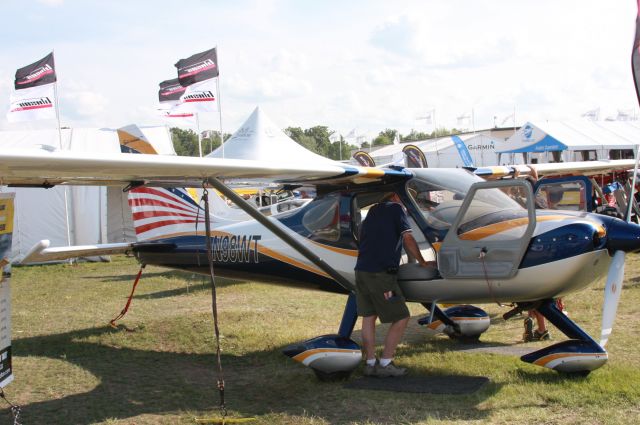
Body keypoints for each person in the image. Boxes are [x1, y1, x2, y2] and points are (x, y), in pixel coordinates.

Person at [355, 192, 435, 377]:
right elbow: (407, 238)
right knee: (401, 316)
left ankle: (369, 363)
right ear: (396, 197)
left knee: (369, 316)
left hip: (362, 271)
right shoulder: (396, 209)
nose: (408, 203)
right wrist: (423, 262)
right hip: (381, 275)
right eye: (406, 198)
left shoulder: (374, 210)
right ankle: (386, 363)